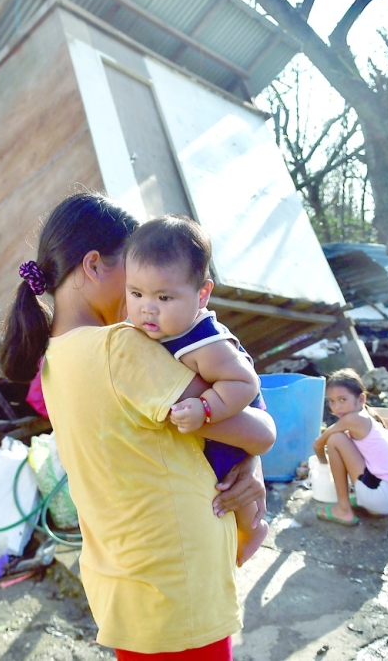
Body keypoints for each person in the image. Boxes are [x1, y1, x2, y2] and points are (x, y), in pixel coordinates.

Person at [0, 192, 276, 658]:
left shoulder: (55, 359)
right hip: (174, 579)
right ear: (94, 266)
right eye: (135, 278)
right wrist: (252, 464)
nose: (145, 297)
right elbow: (260, 432)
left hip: (124, 577)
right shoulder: (119, 348)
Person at [124, 215, 268, 566]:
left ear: (202, 295)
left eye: (164, 296)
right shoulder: (151, 327)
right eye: (136, 293)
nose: (147, 307)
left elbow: (245, 384)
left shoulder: (207, 344)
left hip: (232, 414)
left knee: (232, 489)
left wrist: (206, 408)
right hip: (207, 425)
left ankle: (253, 531)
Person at [312, 368, 388, 525]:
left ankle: (343, 509)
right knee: (343, 443)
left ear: (361, 399)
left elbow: (318, 444)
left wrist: (323, 466)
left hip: (382, 497)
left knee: (335, 439)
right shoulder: (371, 418)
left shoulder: (353, 420)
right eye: (332, 401)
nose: (336, 407)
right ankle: (368, 504)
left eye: (343, 399)